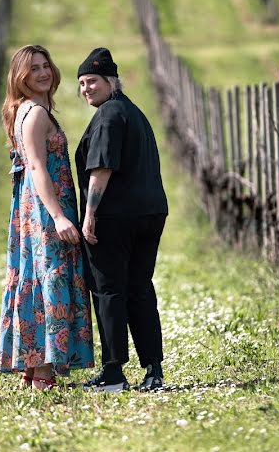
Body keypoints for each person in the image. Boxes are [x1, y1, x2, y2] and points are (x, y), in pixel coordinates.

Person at [0, 44, 95, 390]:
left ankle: (33, 367)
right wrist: (58, 216)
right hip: (45, 209)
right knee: (50, 277)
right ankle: (42, 373)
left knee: (37, 277)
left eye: (45, 66)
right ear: (19, 77)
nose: (42, 73)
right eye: (33, 68)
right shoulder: (36, 114)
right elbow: (38, 166)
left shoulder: (25, 110)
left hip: (32, 208)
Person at [74, 47, 168, 392]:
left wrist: (90, 215)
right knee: (140, 289)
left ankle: (113, 372)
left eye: (93, 81)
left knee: (109, 290)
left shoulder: (109, 115)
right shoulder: (134, 112)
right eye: (82, 83)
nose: (86, 88)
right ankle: (153, 370)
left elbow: (101, 168)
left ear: (111, 81)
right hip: (151, 212)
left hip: (115, 217)